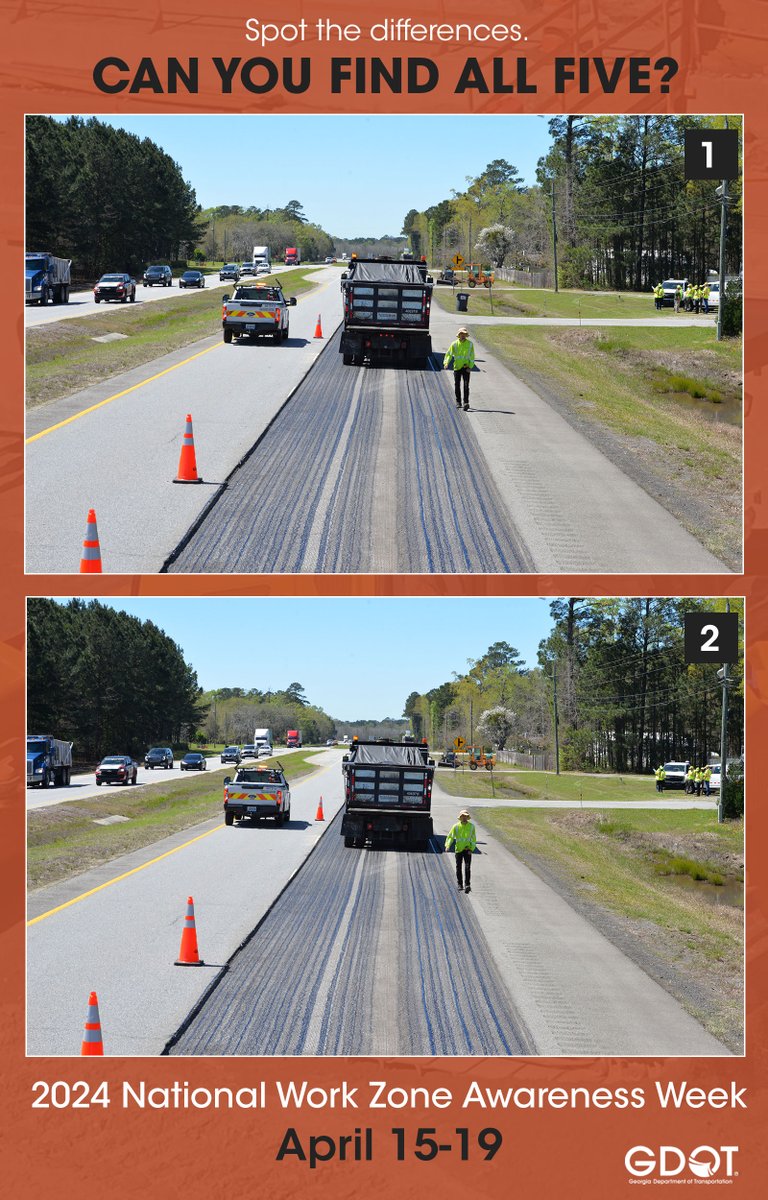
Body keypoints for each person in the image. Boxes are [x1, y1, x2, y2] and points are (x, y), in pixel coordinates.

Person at [445, 808, 477, 893]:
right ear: (460, 817)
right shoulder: (456, 826)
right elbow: (450, 836)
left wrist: (471, 849)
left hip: (467, 850)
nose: (464, 817)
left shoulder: (471, 827)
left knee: (467, 867)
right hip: (458, 850)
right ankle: (460, 884)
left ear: (467, 817)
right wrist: (448, 845)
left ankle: (467, 885)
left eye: (466, 816)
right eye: (462, 816)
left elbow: (473, 839)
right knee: (458, 867)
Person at [443, 327, 475, 410]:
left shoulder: (470, 344)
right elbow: (449, 354)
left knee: (466, 385)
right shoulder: (454, 344)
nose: (463, 335)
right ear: (459, 335)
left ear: (466, 335)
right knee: (457, 385)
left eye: (464, 334)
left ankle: (466, 402)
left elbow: (472, 356)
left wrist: (470, 367)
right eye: (461, 334)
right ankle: (458, 402)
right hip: (457, 367)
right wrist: (446, 363)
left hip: (466, 367)